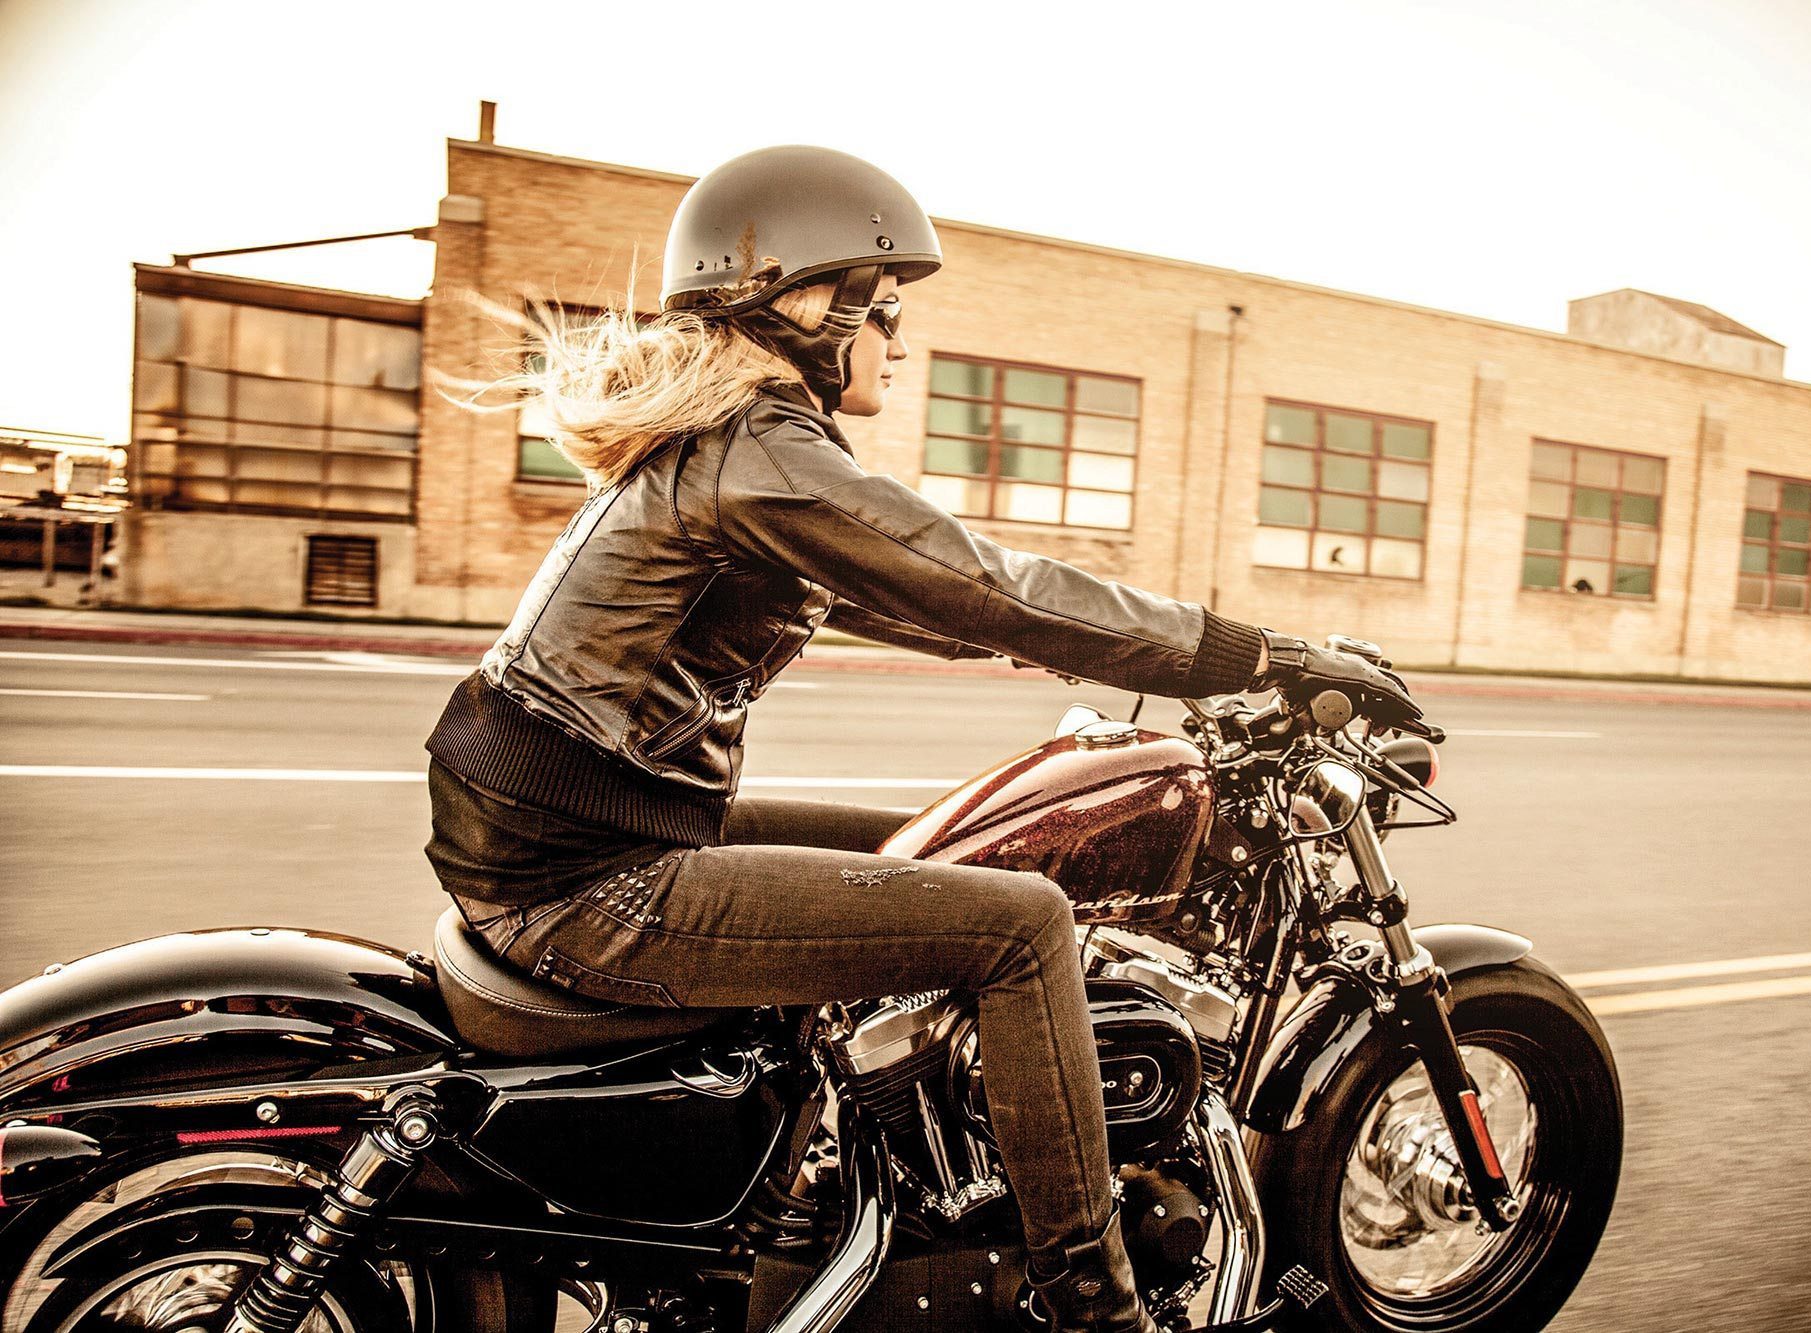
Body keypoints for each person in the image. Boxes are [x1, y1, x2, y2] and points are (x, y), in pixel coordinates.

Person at [425, 145, 1417, 1333]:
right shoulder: (760, 456)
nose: (898, 340)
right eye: (885, 309)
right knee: (1021, 924)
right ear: (810, 306)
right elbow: (990, 586)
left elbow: (922, 601)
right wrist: (1264, 656)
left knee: (942, 853)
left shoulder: (721, 447)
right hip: (594, 882)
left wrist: (1080, 646)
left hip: (575, 837)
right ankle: (1089, 1299)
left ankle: (840, 1199)